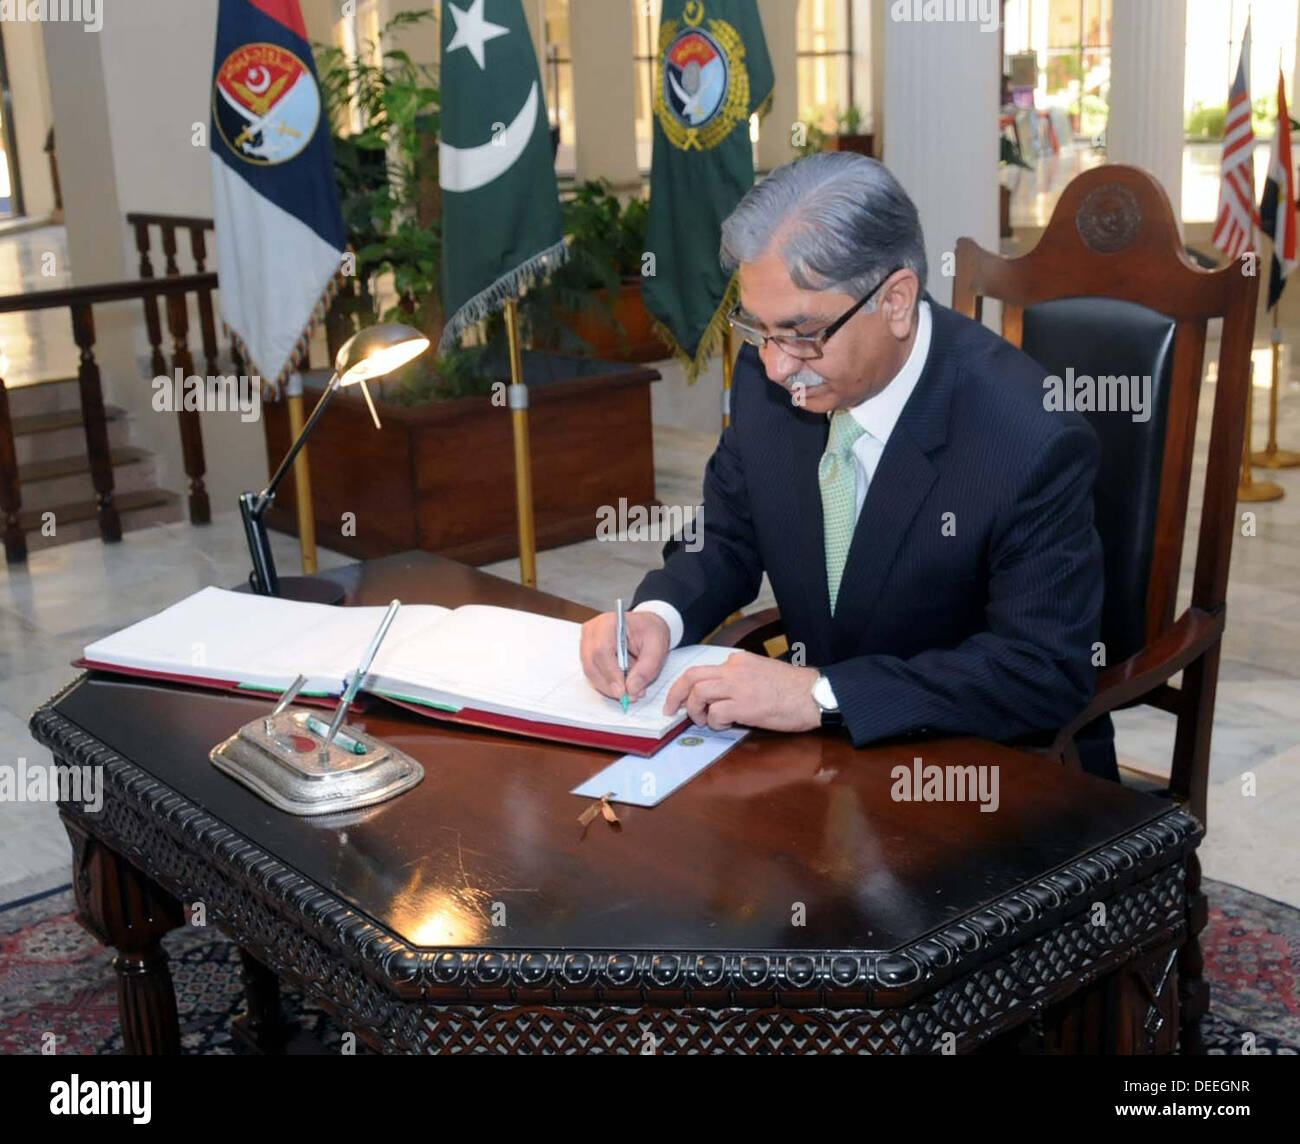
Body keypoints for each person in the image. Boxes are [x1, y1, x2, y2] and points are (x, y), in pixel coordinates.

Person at [579, 152, 1115, 779]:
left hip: (983, 771)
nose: (778, 365)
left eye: (803, 332)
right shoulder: (769, 376)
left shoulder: (1028, 440)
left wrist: (816, 694)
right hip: (821, 765)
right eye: (758, 329)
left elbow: (1040, 670)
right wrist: (658, 616)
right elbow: (727, 535)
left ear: (895, 301)